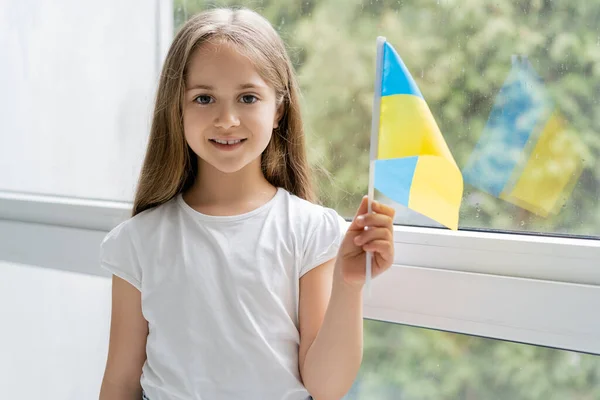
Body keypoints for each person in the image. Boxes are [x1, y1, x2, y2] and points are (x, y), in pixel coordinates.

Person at [98, 7, 395, 400]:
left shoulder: (310, 231)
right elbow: (120, 383)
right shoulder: (137, 242)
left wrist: (348, 283)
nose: (227, 119)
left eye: (248, 97)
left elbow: (325, 387)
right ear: (177, 109)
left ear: (279, 110)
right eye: (204, 98)